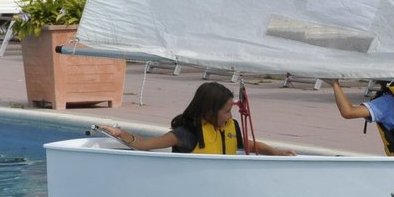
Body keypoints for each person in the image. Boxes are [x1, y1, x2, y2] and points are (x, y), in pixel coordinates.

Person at [92, 81, 293, 155]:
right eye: (226, 111)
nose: (230, 116)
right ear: (208, 113)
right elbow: (145, 145)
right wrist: (120, 133)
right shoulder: (186, 134)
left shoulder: (230, 128)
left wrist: (277, 153)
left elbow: (248, 145)